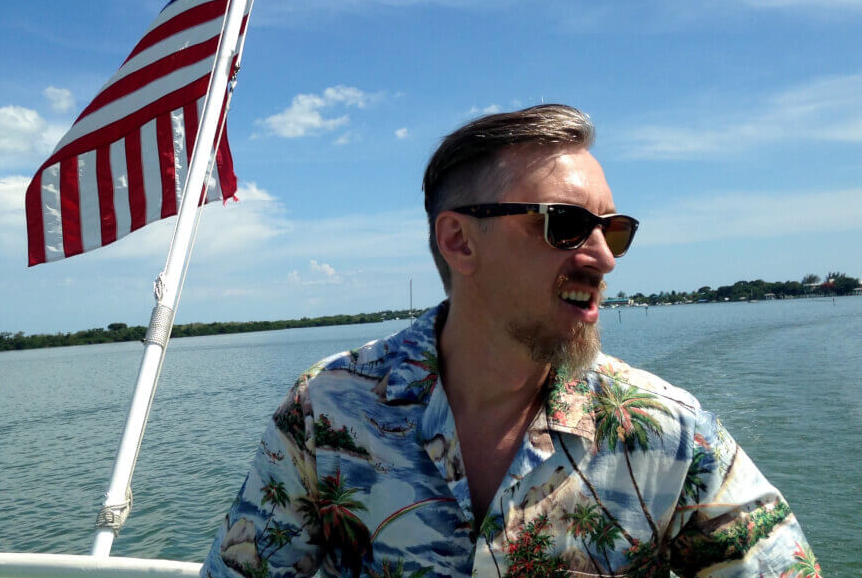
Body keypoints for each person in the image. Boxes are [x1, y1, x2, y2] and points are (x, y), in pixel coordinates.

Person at [201, 104, 820, 578]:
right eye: (566, 224)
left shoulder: (670, 434)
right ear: (459, 241)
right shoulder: (328, 411)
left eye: (614, 230)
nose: (604, 258)